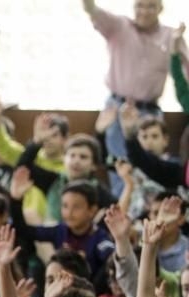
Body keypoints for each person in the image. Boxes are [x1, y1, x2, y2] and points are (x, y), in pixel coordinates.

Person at [81, 0, 189, 195]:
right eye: (139, 5)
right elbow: (92, 10)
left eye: (150, 6)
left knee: (153, 168)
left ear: (160, 9)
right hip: (117, 108)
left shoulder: (170, 36)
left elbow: (184, 74)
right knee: (119, 168)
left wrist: (175, 47)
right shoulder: (119, 25)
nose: (144, 11)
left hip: (149, 111)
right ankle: (122, 216)